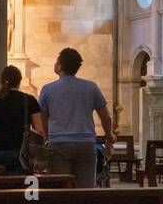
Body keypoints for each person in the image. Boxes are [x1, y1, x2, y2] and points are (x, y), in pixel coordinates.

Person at [38, 47, 114, 188]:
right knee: (85, 190)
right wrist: (109, 136)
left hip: (59, 144)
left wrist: (47, 137)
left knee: (61, 189)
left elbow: (42, 118)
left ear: (59, 66)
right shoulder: (91, 87)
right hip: (85, 144)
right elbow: (106, 117)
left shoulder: (47, 89)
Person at [0, 65, 45, 174]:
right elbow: (39, 130)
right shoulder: (29, 100)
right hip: (21, 153)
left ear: (2, 81)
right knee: (20, 188)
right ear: (19, 81)